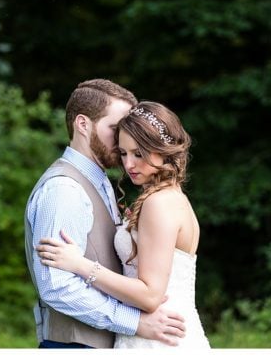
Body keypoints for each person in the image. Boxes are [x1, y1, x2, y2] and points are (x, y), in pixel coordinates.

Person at [24, 80, 187, 348]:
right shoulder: (64, 189)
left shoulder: (102, 182)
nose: (125, 137)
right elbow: (57, 286)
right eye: (116, 128)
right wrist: (134, 323)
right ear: (83, 124)